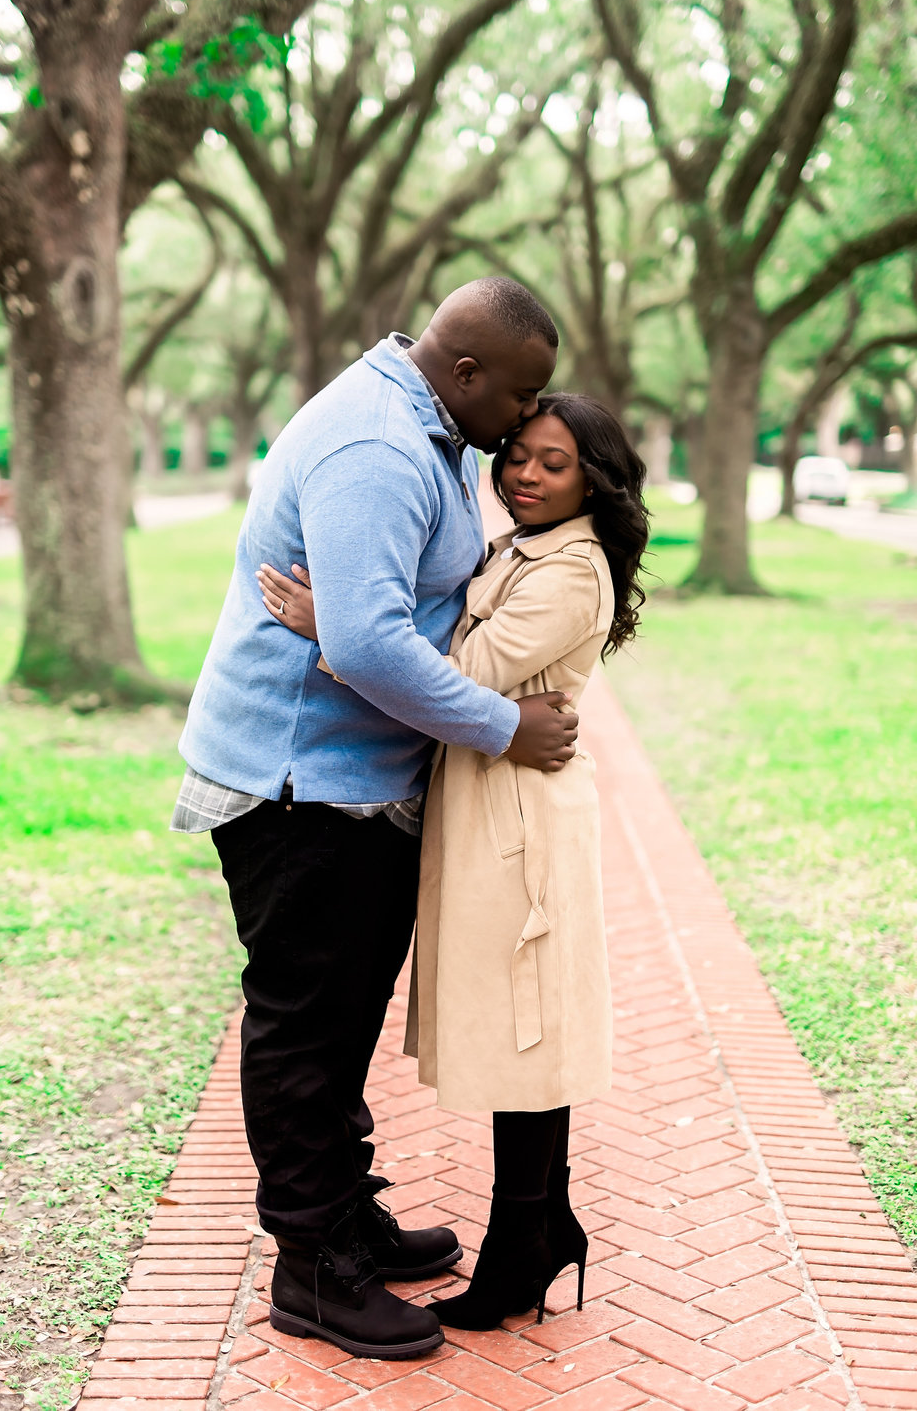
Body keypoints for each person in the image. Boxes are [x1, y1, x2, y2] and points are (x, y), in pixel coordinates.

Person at [170, 279, 580, 1361]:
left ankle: (342, 1214)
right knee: (306, 1025)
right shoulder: (380, 447)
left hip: (353, 785)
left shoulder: (425, 421)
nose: (529, 414)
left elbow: (386, 610)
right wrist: (502, 725)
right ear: (464, 372)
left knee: (341, 1019)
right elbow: (366, 643)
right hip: (302, 786)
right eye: (522, 392)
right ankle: (312, 1267)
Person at [259, 392, 650, 1332]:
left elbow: (464, 677)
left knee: (525, 1030)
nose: (524, 473)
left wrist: (341, 631)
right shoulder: (524, 547)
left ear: (593, 477)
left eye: (552, 463)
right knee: (519, 1025)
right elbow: (452, 653)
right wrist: (372, 629)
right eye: (517, 455)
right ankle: (541, 1224)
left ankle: (525, 1241)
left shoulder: (573, 568)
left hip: (520, 818)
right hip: (486, 797)